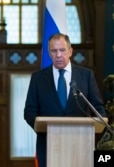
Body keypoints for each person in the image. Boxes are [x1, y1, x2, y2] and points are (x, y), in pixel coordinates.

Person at [24, 33, 107, 167]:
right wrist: (44, 127)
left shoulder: (86, 76)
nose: (58, 55)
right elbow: (29, 112)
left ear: (70, 51)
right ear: (49, 53)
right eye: (54, 51)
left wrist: (99, 120)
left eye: (62, 50)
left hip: (80, 144)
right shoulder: (38, 78)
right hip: (48, 145)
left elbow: (98, 108)